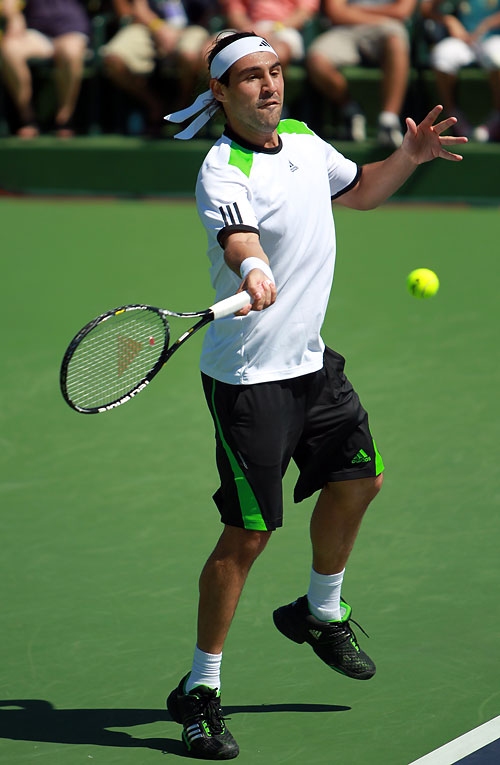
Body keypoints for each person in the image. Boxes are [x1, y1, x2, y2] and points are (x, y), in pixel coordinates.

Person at [164, 31, 466, 760]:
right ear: (221, 93)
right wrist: (254, 269)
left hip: (310, 364)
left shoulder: (301, 137)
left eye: (275, 72)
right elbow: (240, 240)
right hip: (248, 381)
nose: (269, 86)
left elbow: (360, 191)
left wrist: (408, 156)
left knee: (362, 479)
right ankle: (199, 690)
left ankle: (319, 612)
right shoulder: (221, 169)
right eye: (250, 77)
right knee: (248, 535)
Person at [306, 0, 417, 146]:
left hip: (388, 29)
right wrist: (383, 15)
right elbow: (336, 12)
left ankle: (389, 121)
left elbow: (402, 11)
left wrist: (354, 10)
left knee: (396, 42)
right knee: (316, 60)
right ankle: (351, 111)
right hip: (344, 29)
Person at [100, 0, 218, 134]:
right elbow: (140, 9)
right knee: (113, 59)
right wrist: (158, 27)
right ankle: (155, 106)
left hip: (190, 27)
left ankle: (183, 107)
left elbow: (209, 11)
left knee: (189, 54)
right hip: (146, 26)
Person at [0, 0, 91, 138]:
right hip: (36, 31)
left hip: (72, 30)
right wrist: (14, 16)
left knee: (70, 53)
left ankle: (65, 119)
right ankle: (28, 119)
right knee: (9, 49)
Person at [422, 0, 500, 141]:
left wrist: (486, 24)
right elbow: (427, 8)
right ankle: (454, 118)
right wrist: (448, 20)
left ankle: (497, 118)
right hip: (463, 41)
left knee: (496, 58)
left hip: (493, 39)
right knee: (442, 57)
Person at [219, 0, 320, 70]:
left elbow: (303, 13)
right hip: (249, 27)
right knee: (213, 46)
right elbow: (235, 11)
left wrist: (274, 29)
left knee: (278, 53)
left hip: (284, 28)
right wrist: (249, 30)